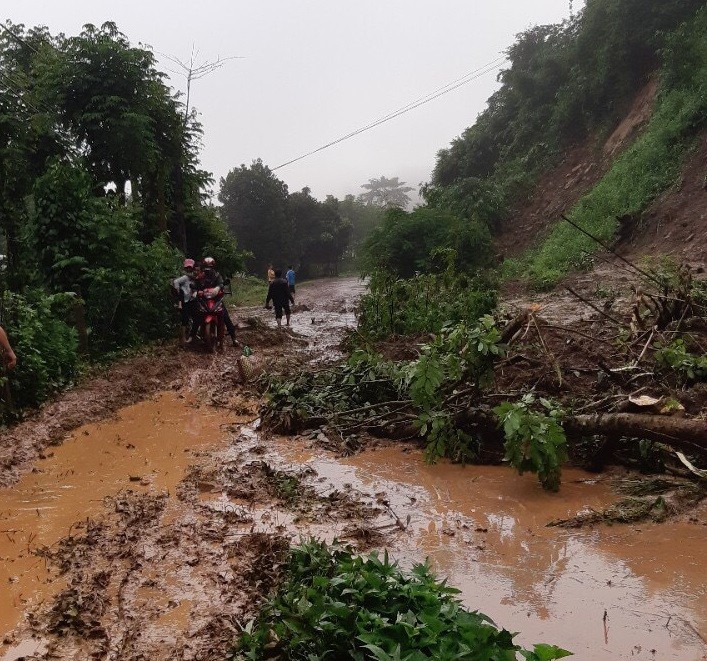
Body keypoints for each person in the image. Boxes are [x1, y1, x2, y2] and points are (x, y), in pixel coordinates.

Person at [196, 257, 239, 347]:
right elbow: (197, 286)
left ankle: (234, 338)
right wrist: (197, 291)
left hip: (216, 300)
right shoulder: (200, 277)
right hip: (205, 301)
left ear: (213, 267)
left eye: (210, 267)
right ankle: (196, 336)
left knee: (226, 317)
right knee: (197, 316)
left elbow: (221, 284)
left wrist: (218, 288)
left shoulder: (217, 275)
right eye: (206, 267)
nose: (208, 269)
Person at [172, 258, 199, 346]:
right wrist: (178, 290)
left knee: (196, 318)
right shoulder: (185, 277)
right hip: (185, 300)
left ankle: (192, 336)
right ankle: (183, 338)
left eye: (190, 267)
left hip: (192, 300)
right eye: (187, 268)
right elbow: (176, 281)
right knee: (185, 319)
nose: (189, 269)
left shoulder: (195, 278)